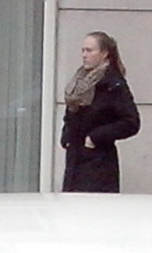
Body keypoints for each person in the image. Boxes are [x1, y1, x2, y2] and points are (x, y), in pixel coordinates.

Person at [60, 33, 139, 193]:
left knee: (94, 212)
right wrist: (66, 135)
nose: (84, 55)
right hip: (75, 159)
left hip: (98, 163)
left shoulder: (113, 84)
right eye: (83, 50)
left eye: (89, 50)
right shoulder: (80, 81)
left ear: (104, 54)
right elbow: (71, 114)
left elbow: (131, 122)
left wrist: (95, 137)